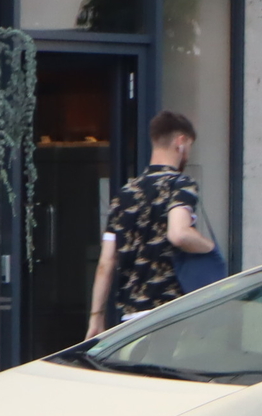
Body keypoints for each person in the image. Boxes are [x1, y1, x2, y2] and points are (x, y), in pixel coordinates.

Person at [87, 110, 215, 339]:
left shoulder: (124, 195)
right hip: (168, 314)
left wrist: (96, 316)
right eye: (190, 146)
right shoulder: (180, 184)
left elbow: (106, 263)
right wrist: (209, 247)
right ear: (181, 142)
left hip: (130, 318)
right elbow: (179, 234)